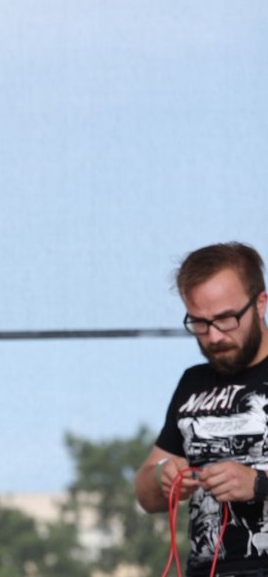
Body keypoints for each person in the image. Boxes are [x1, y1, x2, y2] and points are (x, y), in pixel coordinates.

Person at [135, 242, 268, 577]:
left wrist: (258, 484)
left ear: (261, 303)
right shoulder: (193, 382)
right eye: (198, 322)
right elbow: (144, 492)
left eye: (226, 319)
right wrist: (163, 477)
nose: (213, 336)